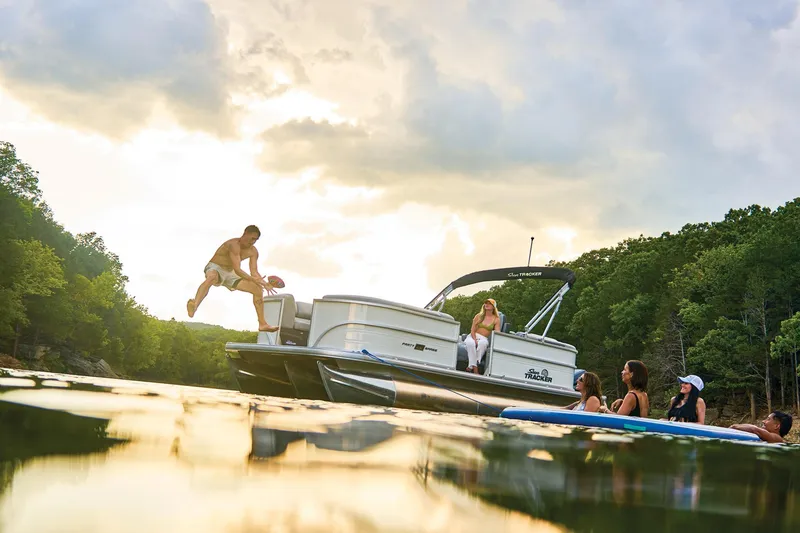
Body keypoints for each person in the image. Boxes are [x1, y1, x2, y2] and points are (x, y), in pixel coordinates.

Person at [186, 225, 280, 332]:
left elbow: (254, 272)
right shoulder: (233, 245)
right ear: (245, 234)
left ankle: (263, 324)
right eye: (252, 238)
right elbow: (238, 269)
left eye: (256, 240)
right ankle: (195, 305)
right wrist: (254, 279)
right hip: (216, 267)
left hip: (231, 273)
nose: (253, 242)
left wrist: (263, 283)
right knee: (212, 277)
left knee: (257, 289)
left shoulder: (253, 251)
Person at [464, 298, 501, 373]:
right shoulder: (478, 316)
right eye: (486, 303)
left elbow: (497, 333)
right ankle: (475, 370)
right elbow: (472, 330)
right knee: (471, 343)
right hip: (473, 335)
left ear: (493, 306)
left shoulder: (496, 319)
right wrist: (474, 339)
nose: (487, 304)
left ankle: (471, 365)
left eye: (489, 303)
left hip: (484, 338)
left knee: (482, 344)